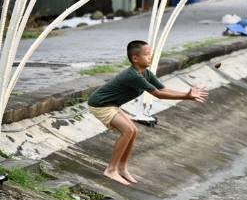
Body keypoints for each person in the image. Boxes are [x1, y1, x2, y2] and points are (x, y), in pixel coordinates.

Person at [86, 41, 208, 185]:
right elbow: (158, 94)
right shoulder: (133, 75)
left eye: (150, 54)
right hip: (100, 105)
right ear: (135, 58)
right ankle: (111, 170)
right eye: (147, 55)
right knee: (128, 130)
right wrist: (185, 96)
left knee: (133, 131)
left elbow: (163, 89)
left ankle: (122, 168)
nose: (150, 57)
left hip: (111, 104)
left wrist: (187, 93)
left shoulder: (146, 73)